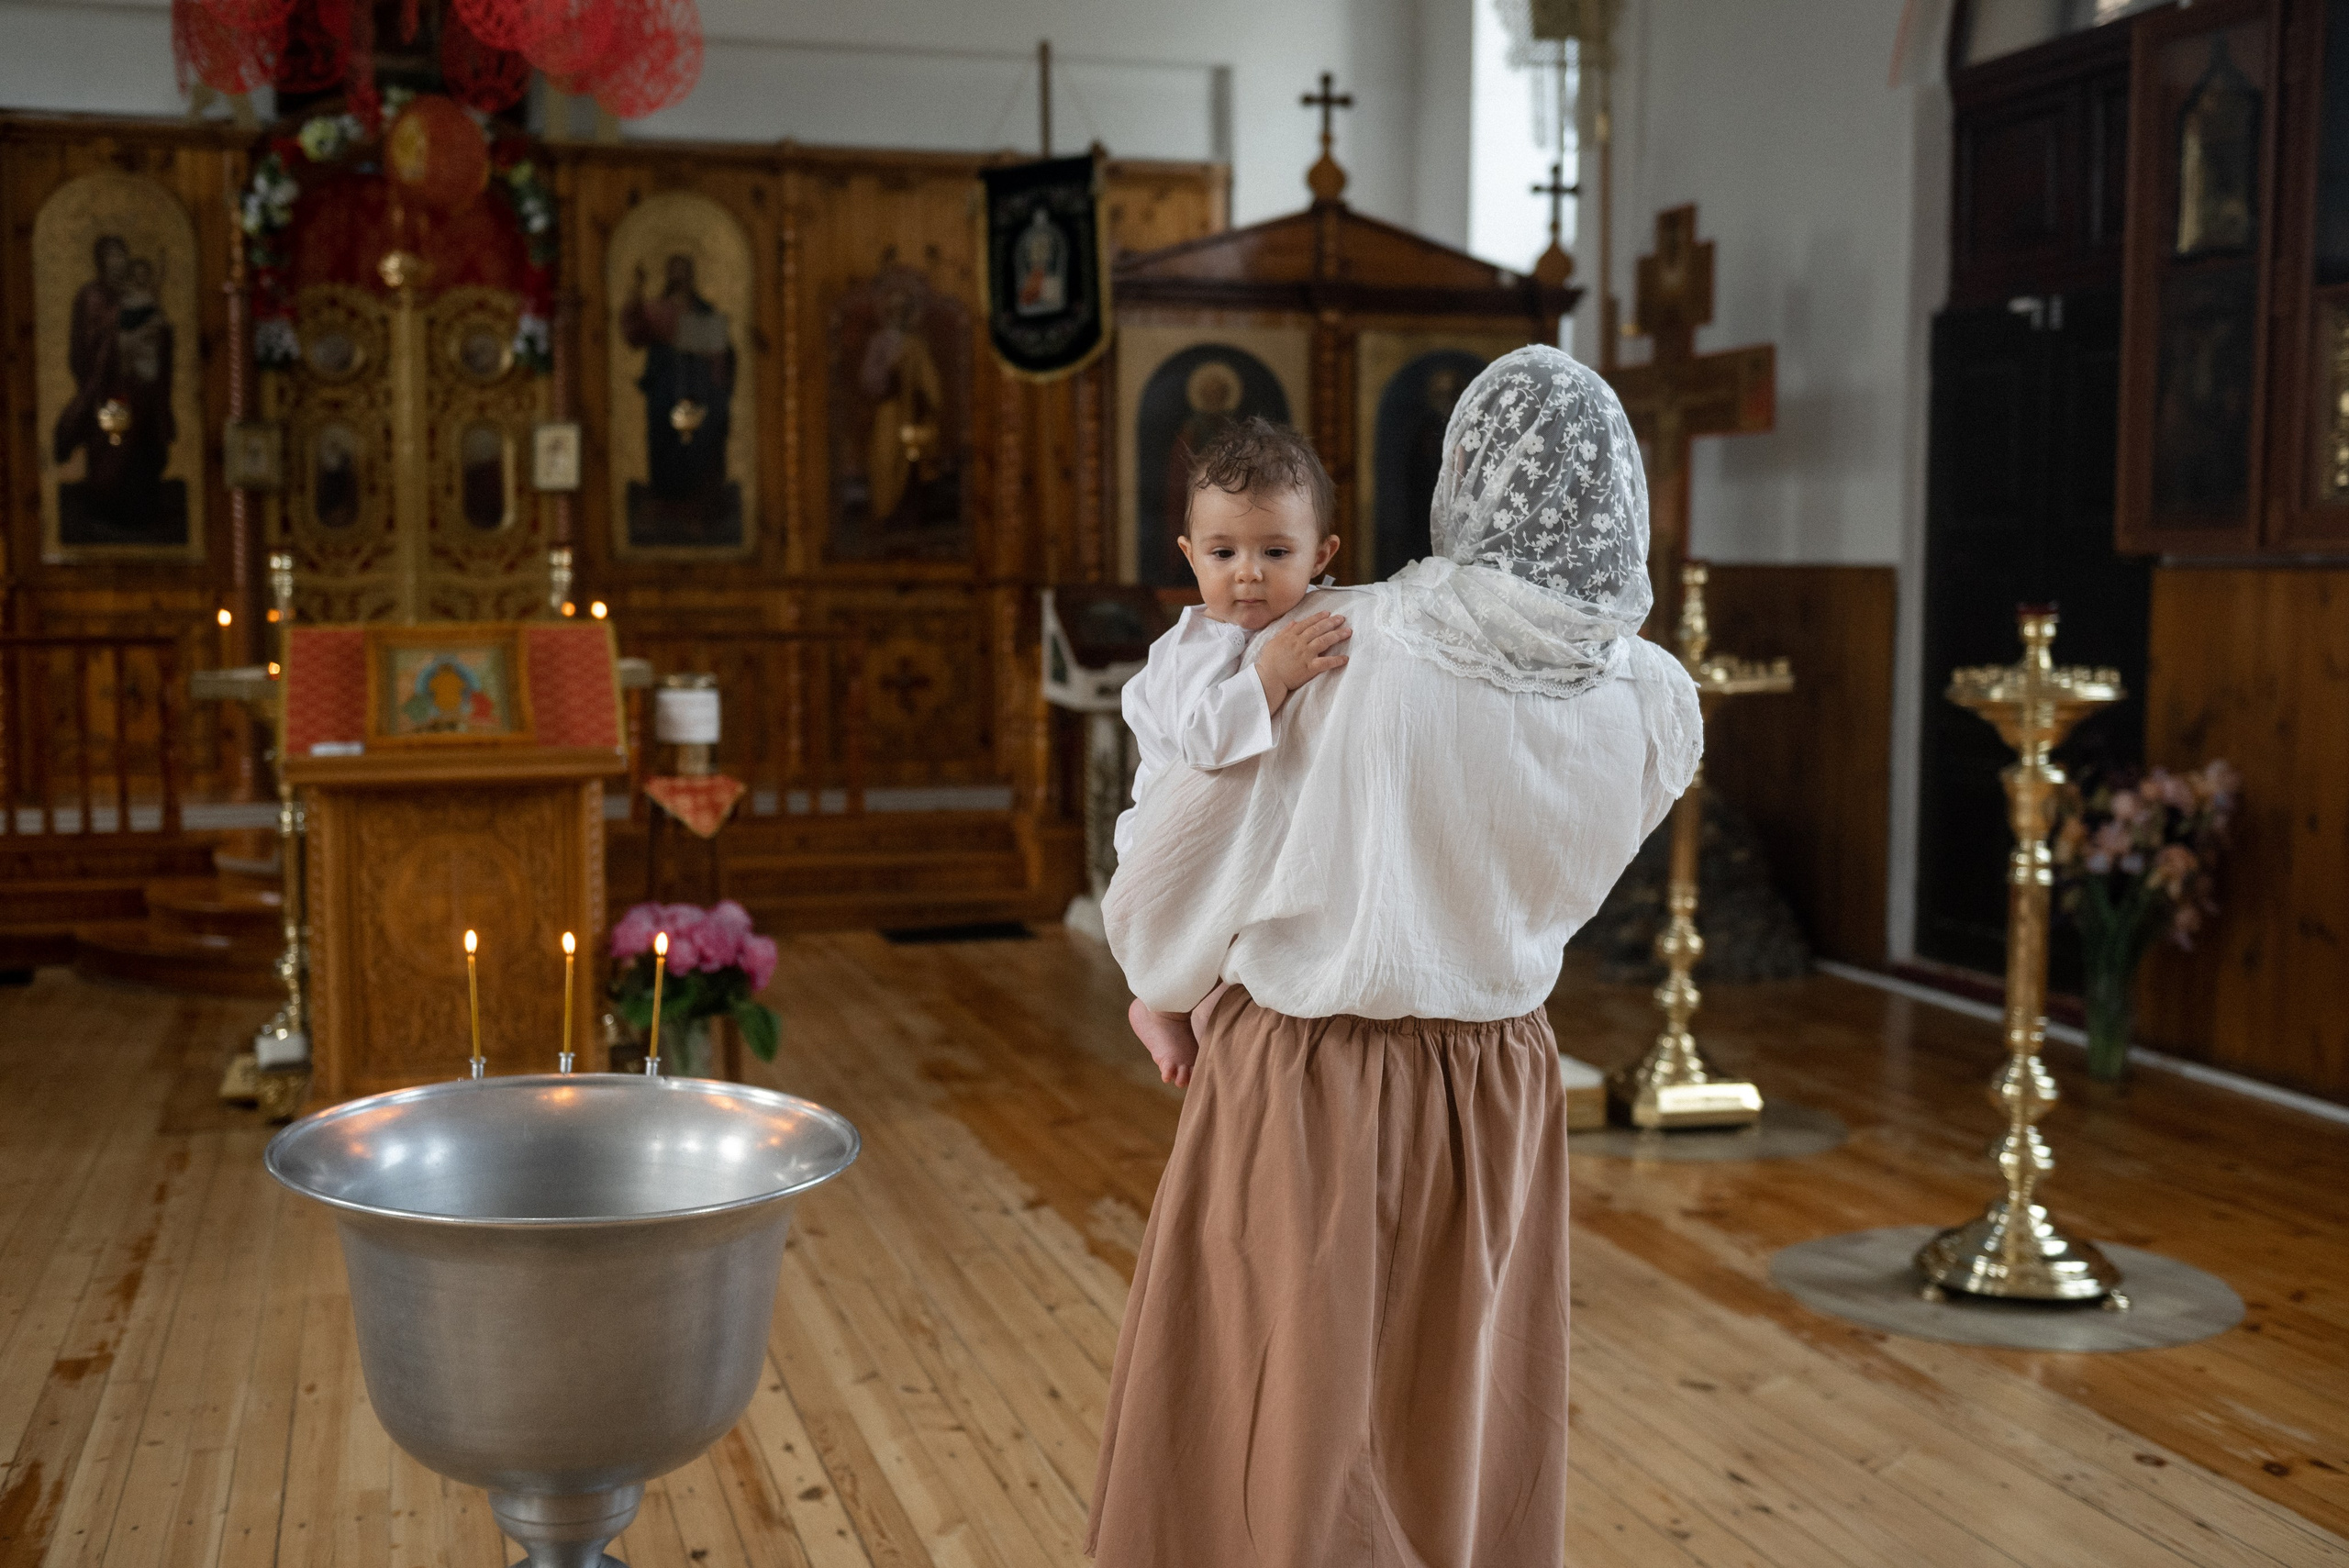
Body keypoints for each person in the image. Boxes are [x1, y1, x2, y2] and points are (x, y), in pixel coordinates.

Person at [1090, 346, 1703, 1568]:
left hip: (1314, 1073)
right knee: (1453, 1418)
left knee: (1278, 1438)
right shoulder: (1652, 698)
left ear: (1462, 473)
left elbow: (1162, 895)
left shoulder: (1336, 644)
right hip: (1499, 1085)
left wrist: (1161, 987)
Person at [1116, 417, 1352, 1087]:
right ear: (1191, 555)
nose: (1247, 573)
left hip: (1264, 815)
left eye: (1276, 553)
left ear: (1322, 554)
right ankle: (1160, 1005)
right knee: (1208, 916)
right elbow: (1201, 743)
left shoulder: (1314, 616)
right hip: (1171, 829)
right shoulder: (1192, 651)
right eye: (1224, 554)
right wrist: (1269, 677)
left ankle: (1215, 1001)